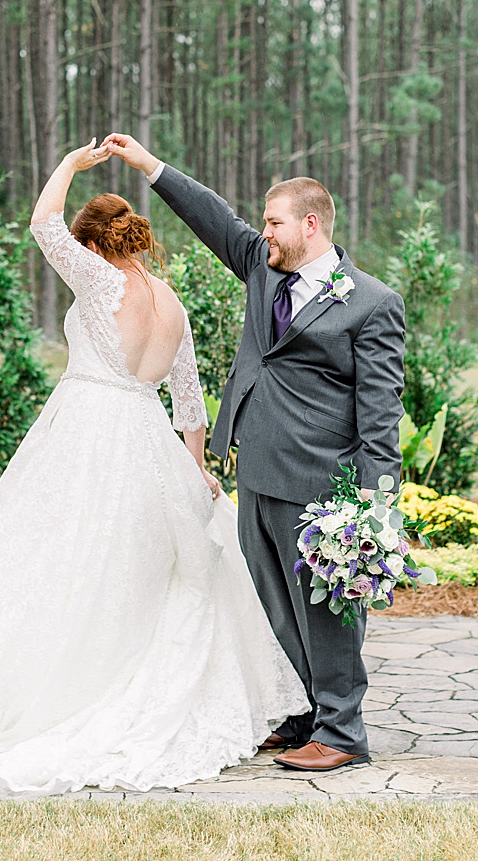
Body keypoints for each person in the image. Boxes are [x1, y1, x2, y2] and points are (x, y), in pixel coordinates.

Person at [0, 140, 308, 794]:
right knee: (128, 570)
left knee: (43, 561)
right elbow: (189, 400)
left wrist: (68, 163)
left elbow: (41, 225)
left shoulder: (98, 277)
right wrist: (196, 469)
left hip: (87, 427)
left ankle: (45, 689)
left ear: (94, 246)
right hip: (149, 436)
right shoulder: (171, 303)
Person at [103, 132, 405, 773]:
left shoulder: (373, 305)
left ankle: (343, 733)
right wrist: (150, 166)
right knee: (275, 604)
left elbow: (381, 416)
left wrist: (377, 507)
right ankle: (303, 714)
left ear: (311, 224)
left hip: (325, 483)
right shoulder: (265, 270)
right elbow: (215, 219)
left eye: (275, 222)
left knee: (327, 611)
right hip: (258, 468)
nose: (263, 232)